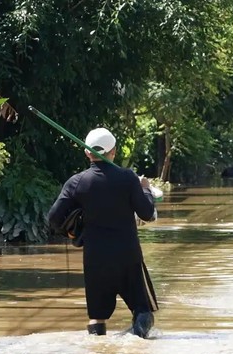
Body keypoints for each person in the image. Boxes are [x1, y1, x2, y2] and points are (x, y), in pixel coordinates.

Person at [47, 127, 158, 338]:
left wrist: (71, 233)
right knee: (143, 311)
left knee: (97, 317)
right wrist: (145, 189)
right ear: (113, 152)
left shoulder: (77, 182)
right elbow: (146, 212)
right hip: (128, 256)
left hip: (96, 258)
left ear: (87, 152)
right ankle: (139, 344)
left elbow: (54, 217)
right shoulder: (128, 178)